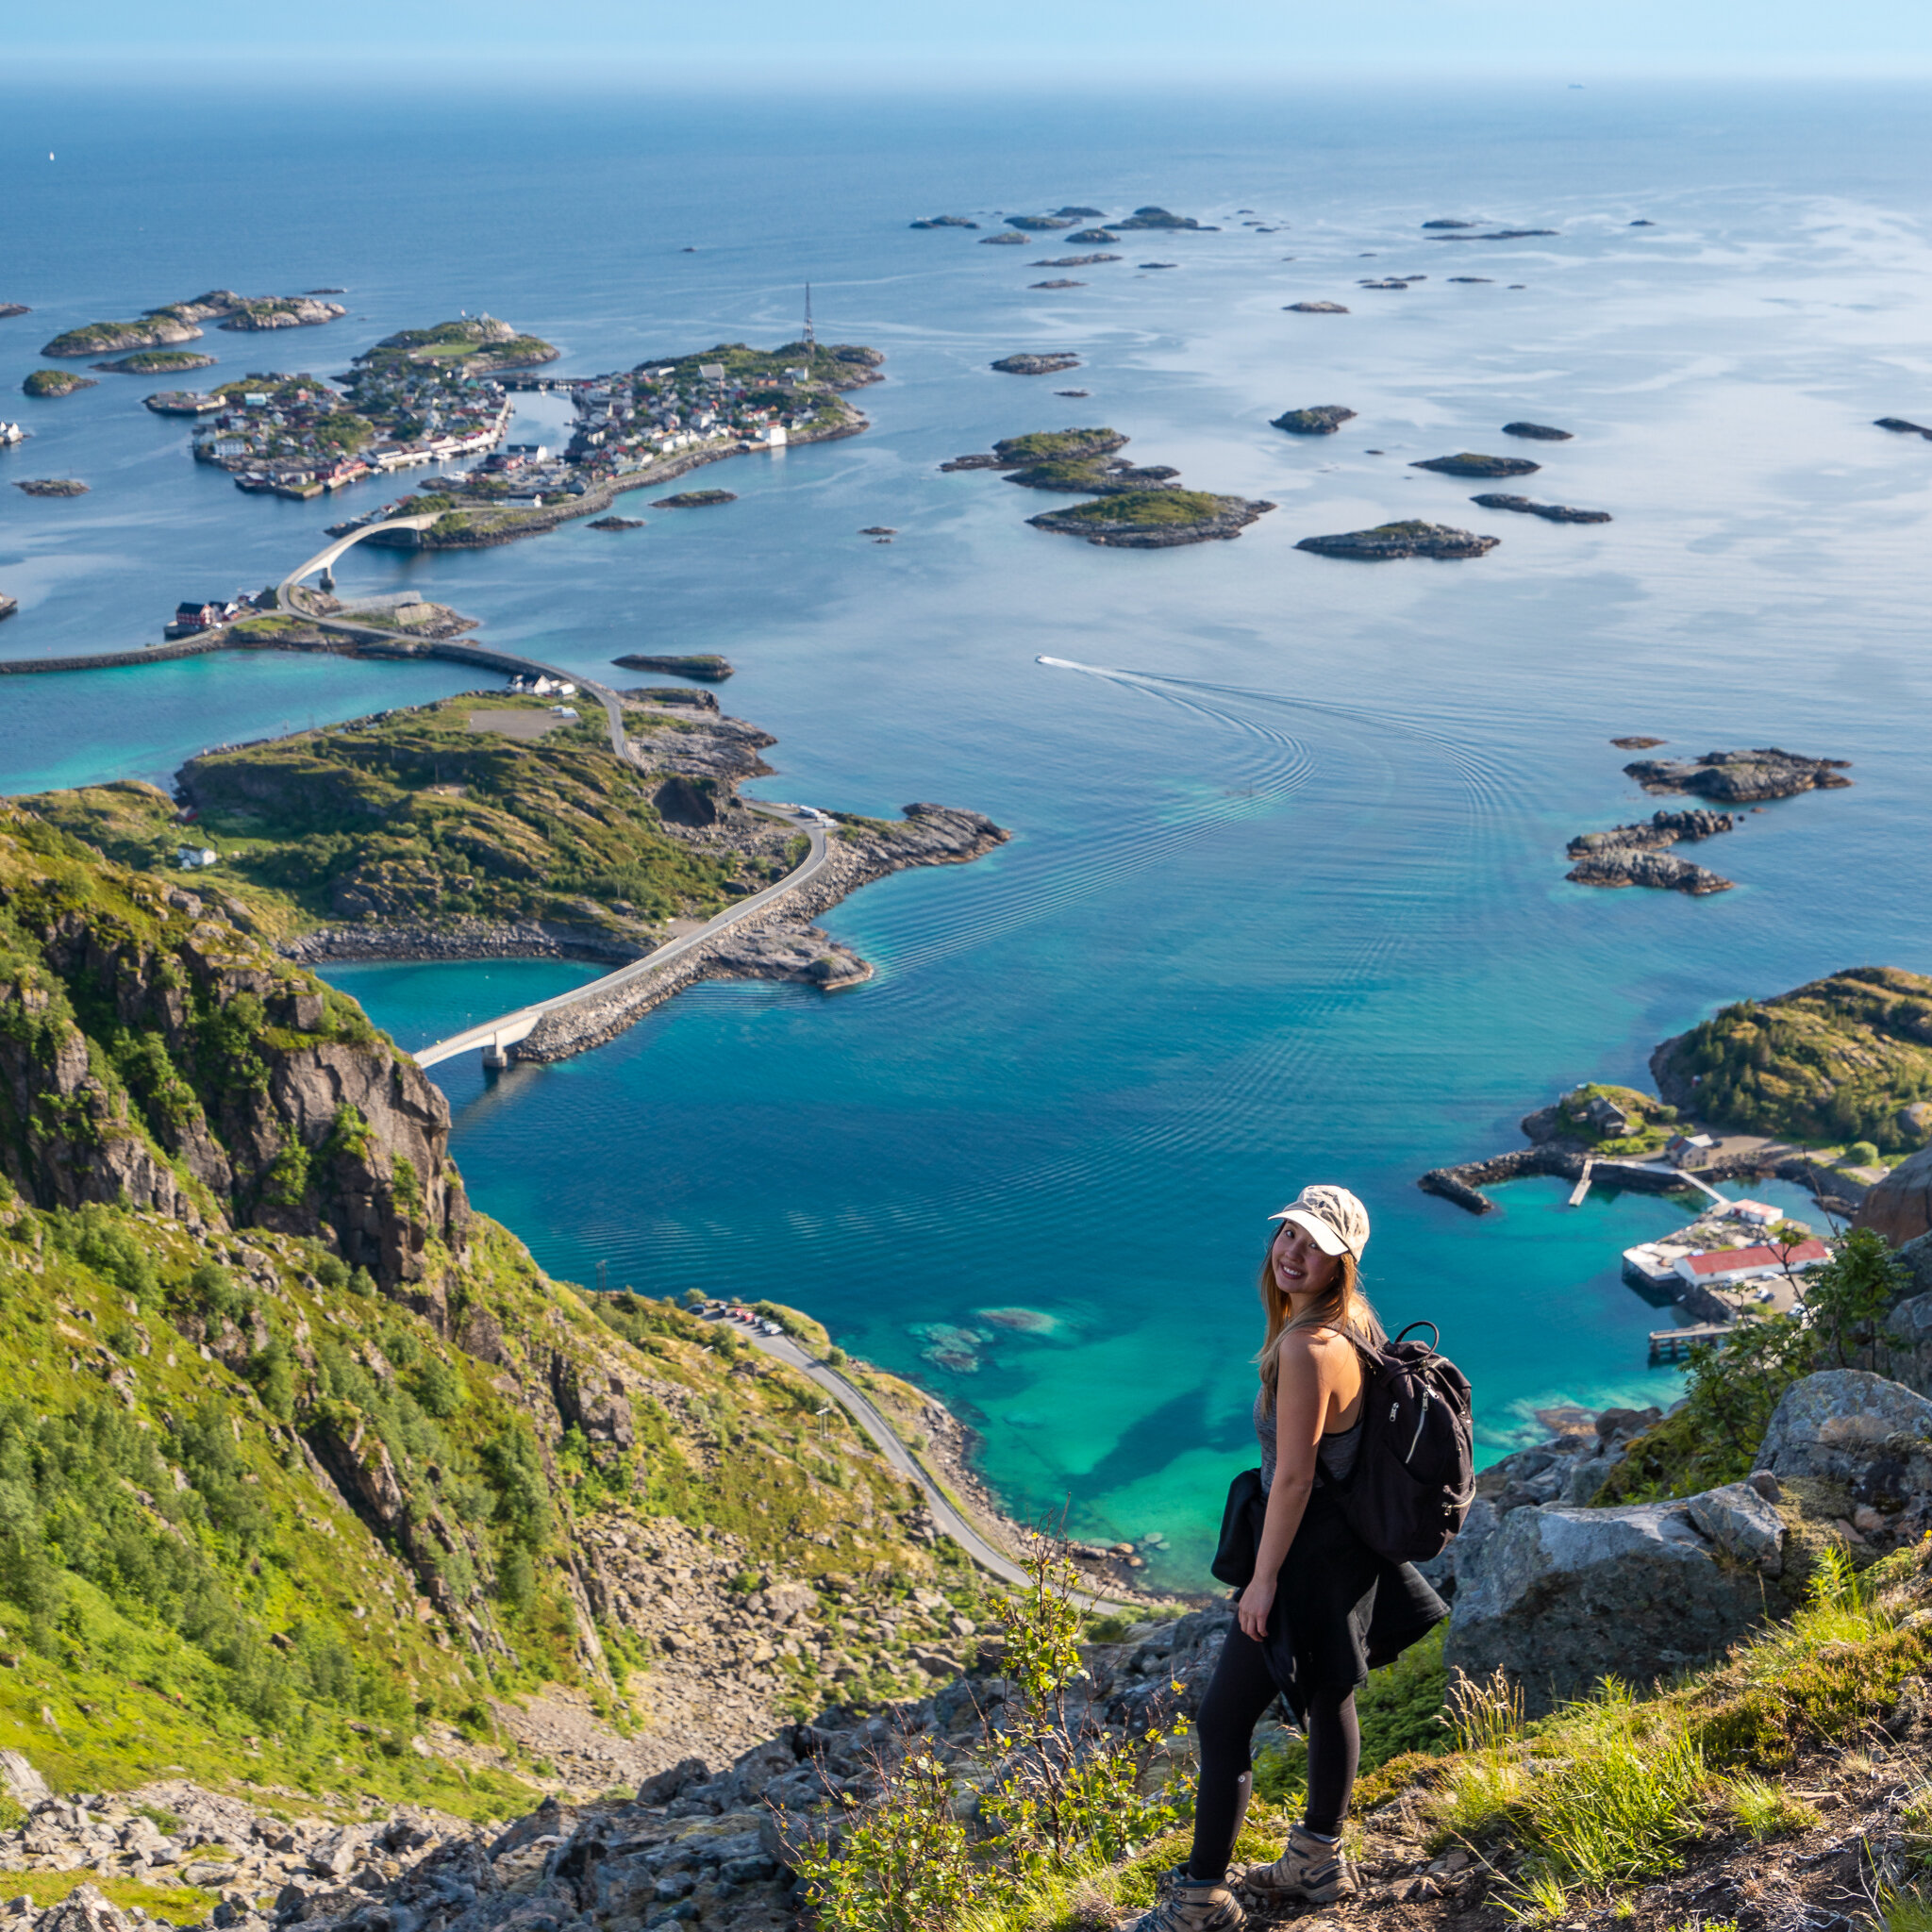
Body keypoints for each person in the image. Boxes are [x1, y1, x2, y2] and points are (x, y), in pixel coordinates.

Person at [1133, 1185, 1448, 1932]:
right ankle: (1315, 1858)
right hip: (1345, 1550)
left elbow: (1298, 1476)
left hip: (1305, 1554)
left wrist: (1262, 1580)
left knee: (1221, 1725)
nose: (1291, 1252)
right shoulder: (1350, 1324)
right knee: (1329, 1695)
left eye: (1313, 1245)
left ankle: (1201, 1900)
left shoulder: (1309, 1349)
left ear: (1342, 1261)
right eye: (1287, 1234)